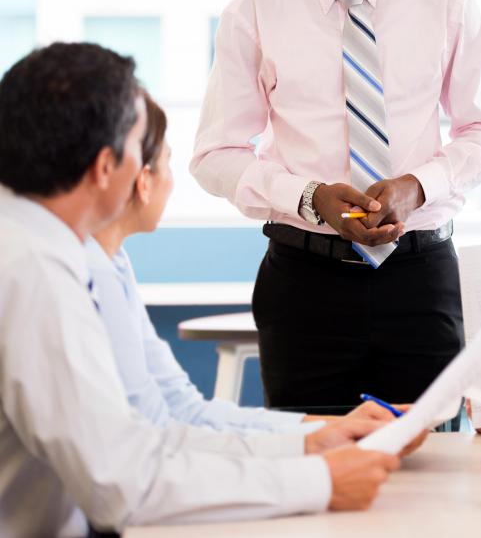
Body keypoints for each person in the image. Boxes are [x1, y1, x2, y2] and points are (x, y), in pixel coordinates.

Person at [0, 42, 399, 538]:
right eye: (143, 147)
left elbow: (150, 435)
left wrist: (310, 445)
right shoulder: (35, 271)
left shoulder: (36, 247)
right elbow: (125, 481)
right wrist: (315, 480)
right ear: (107, 168)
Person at [190, 0, 481, 410]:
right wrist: (310, 197)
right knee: (310, 467)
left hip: (421, 277)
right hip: (304, 281)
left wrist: (419, 187)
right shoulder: (253, 10)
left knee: (431, 470)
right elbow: (215, 156)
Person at [88, 90, 403, 436]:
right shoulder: (87, 276)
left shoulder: (110, 262)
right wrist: (316, 453)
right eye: (166, 160)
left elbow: (181, 408)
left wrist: (332, 428)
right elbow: (155, 434)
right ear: (141, 180)